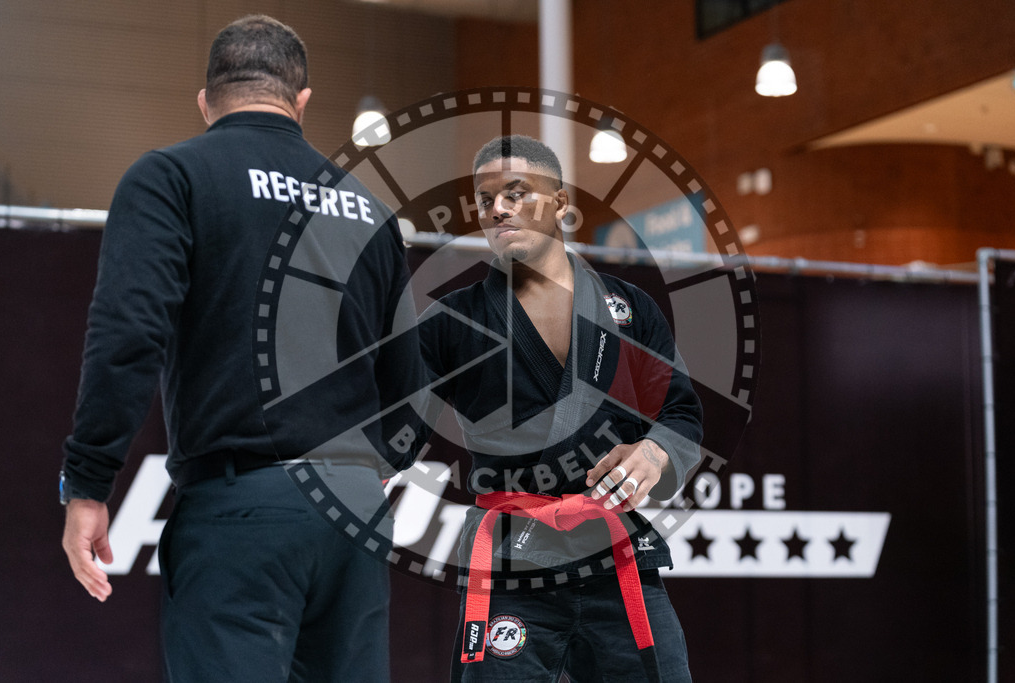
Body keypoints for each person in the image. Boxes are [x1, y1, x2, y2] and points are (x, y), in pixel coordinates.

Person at [59, 15, 423, 682]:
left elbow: (129, 333)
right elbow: (414, 379)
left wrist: (87, 480)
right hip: (354, 513)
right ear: (301, 100)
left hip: (241, 507)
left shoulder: (173, 177)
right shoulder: (369, 211)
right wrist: (366, 474)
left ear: (206, 100)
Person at [418, 135, 704, 682]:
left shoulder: (628, 308)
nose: (498, 208)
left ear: (561, 203)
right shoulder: (453, 320)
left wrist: (655, 452)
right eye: (485, 200)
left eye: (517, 192)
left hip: (615, 554)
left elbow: (680, 413)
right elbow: (388, 418)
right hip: (512, 566)